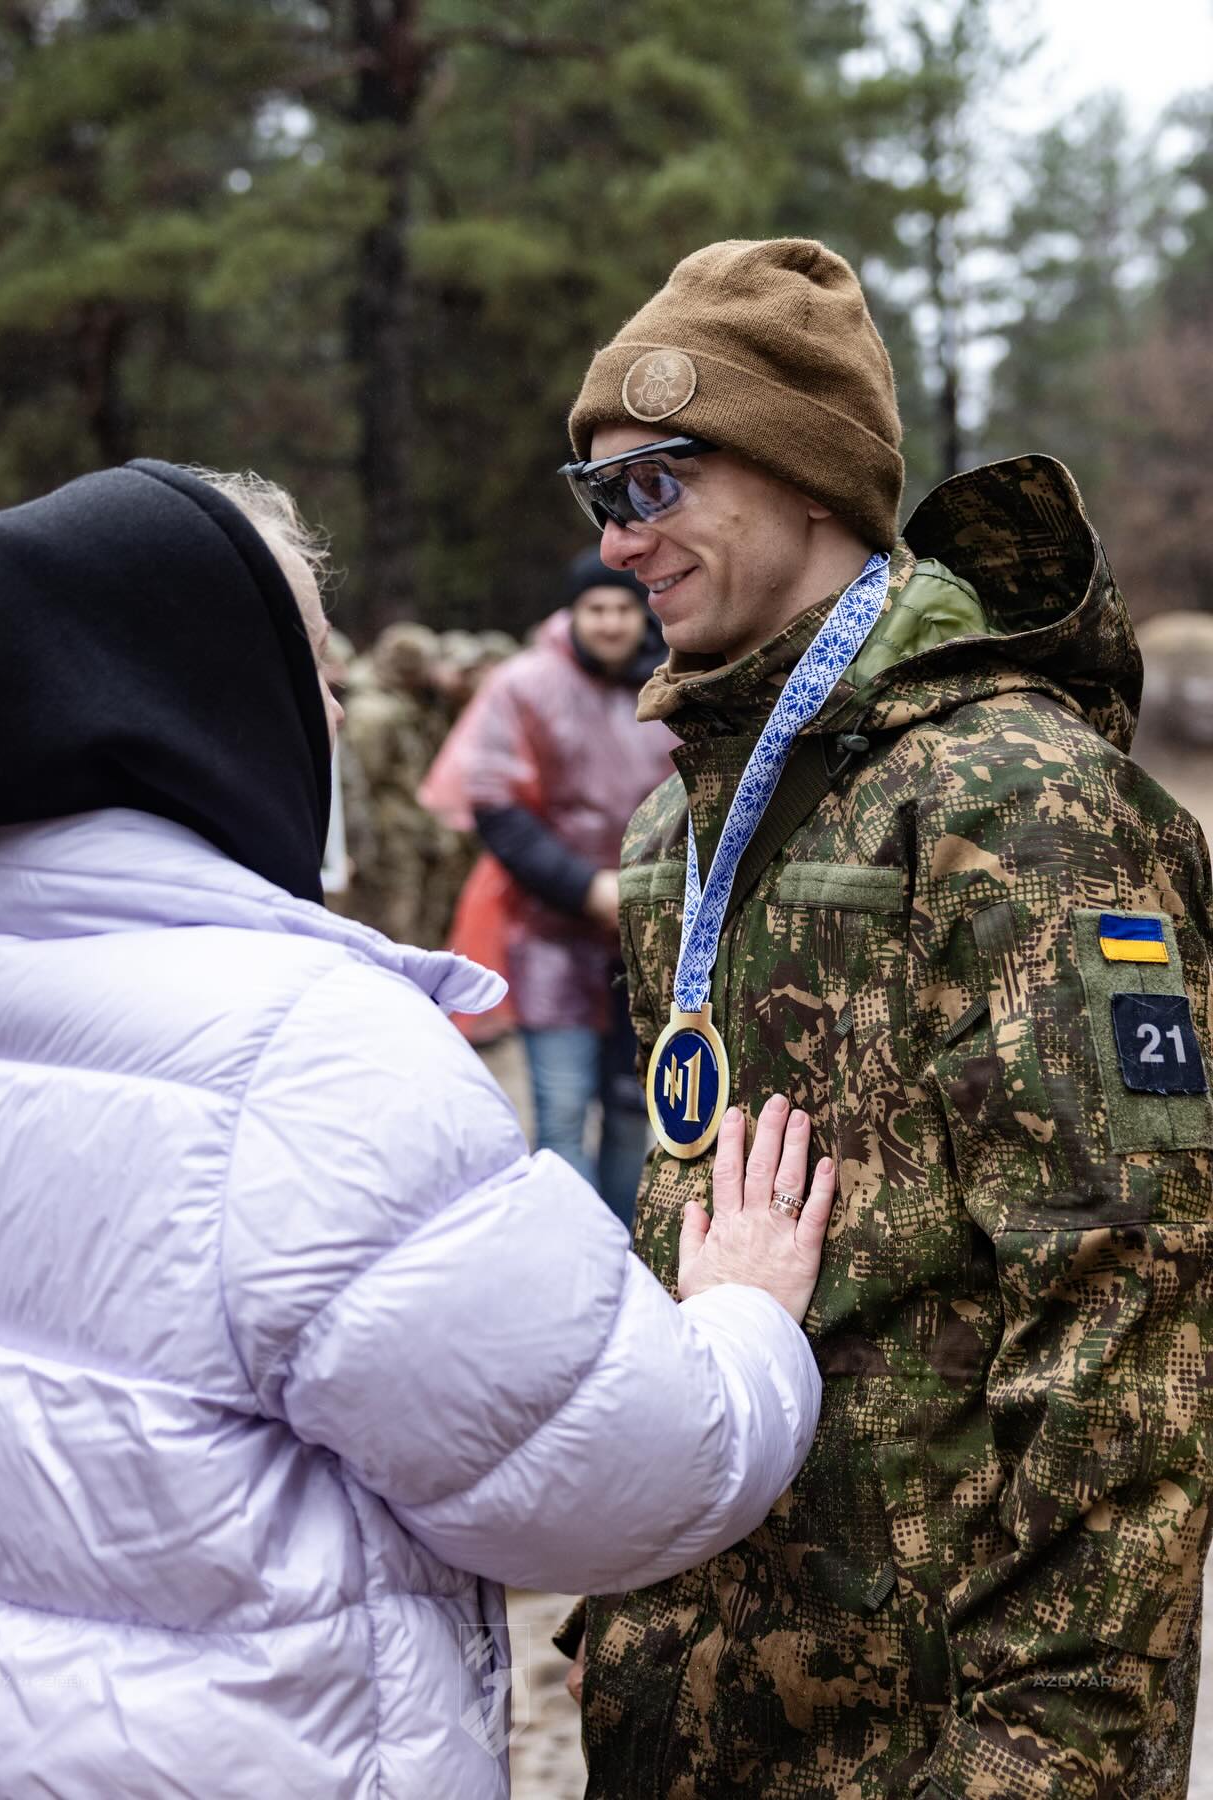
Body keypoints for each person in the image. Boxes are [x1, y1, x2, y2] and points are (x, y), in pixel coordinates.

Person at [0, 458, 836, 1799]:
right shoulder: (310, 1058)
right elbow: (626, 1472)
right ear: (198, 686)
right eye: (308, 658)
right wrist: (746, 1326)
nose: (335, 698)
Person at [554, 237, 1213, 1798]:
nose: (621, 545)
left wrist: (1043, 1752)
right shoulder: (684, 829)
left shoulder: (1015, 796)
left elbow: (1133, 1313)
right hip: (698, 1705)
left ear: (806, 477)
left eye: (655, 484)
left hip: (935, 1737)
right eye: (597, 501)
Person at [457, 550, 674, 1225]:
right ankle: (572, 1251)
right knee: (560, 1107)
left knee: (635, 1112)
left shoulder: (673, 683)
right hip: (552, 931)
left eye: (623, 609)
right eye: (596, 609)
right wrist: (584, 887)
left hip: (651, 937)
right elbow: (495, 808)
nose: (610, 623)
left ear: (642, 614)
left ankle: (624, 1256)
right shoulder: (524, 684)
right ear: (573, 613)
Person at [341, 620, 455, 946]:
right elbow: (362, 781)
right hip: (387, 841)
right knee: (392, 927)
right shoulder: (375, 713)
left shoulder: (406, 704)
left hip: (406, 834)